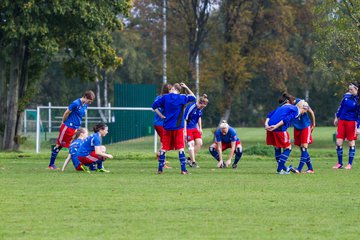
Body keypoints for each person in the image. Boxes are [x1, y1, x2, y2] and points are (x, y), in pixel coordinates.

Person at [152, 82, 196, 174]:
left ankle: (160, 170)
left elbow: (154, 106)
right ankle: (183, 170)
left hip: (167, 127)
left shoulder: (164, 97)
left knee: (164, 148)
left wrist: (161, 115)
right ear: (179, 91)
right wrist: (186, 87)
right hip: (178, 127)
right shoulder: (181, 97)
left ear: (172, 89)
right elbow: (194, 98)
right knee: (180, 148)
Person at [48, 90, 95, 170]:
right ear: (85, 97)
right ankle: (51, 165)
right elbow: (66, 113)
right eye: (89, 101)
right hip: (67, 128)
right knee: (59, 145)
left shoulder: (85, 105)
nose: (90, 103)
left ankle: (85, 165)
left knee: (79, 145)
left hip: (76, 129)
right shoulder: (76, 103)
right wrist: (63, 122)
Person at [265, 97, 309, 174]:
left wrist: (266, 124)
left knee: (277, 147)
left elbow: (270, 114)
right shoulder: (296, 111)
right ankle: (279, 170)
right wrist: (276, 126)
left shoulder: (282, 107)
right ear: (302, 108)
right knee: (288, 148)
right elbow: (286, 120)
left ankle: (284, 168)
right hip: (279, 130)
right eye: (305, 110)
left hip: (269, 128)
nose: (305, 112)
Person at [333, 82, 359, 170]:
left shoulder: (358, 99)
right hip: (342, 121)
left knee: (351, 142)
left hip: (352, 122)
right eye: (349, 89)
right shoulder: (346, 96)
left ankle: (349, 164)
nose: (349, 90)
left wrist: (358, 127)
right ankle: (339, 163)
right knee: (338, 142)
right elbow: (341, 107)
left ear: (356, 89)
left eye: (351, 89)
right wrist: (337, 117)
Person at [291, 96, 316, 174]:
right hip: (297, 128)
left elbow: (311, 112)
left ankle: (299, 169)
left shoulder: (302, 103)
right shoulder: (288, 106)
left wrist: (313, 124)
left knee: (304, 147)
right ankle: (310, 168)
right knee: (302, 148)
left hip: (305, 126)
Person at [184, 94, 208, 168]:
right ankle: (193, 162)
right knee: (191, 144)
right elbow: (185, 119)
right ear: (200, 103)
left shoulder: (200, 108)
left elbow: (199, 117)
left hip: (195, 128)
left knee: (200, 143)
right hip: (188, 128)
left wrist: (200, 127)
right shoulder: (191, 107)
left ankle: (189, 159)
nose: (202, 107)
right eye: (202, 106)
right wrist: (184, 131)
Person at [153, 83, 173, 169]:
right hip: (162, 124)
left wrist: (159, 115)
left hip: (157, 123)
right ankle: (162, 161)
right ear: (168, 90)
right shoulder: (167, 98)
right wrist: (161, 115)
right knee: (165, 143)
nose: (172, 91)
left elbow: (154, 107)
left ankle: (160, 156)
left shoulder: (158, 97)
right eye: (171, 89)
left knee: (164, 142)